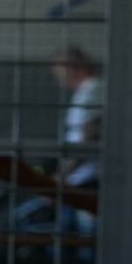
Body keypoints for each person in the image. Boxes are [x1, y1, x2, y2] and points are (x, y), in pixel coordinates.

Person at [50, 45, 102, 188]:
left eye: (59, 71)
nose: (58, 77)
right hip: (79, 174)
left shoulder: (93, 90)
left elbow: (90, 137)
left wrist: (64, 173)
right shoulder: (88, 90)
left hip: (85, 176)